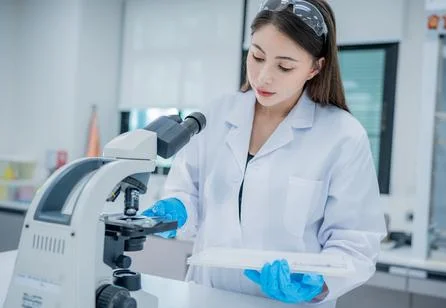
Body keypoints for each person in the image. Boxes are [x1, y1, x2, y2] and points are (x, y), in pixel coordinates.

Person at [142, 0, 386, 306]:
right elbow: (187, 193)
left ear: (315, 67)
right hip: (208, 296)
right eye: (257, 56)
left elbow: (356, 242)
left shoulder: (343, 136)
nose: (263, 76)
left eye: (284, 66)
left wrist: (319, 283)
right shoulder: (215, 116)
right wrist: (177, 209)